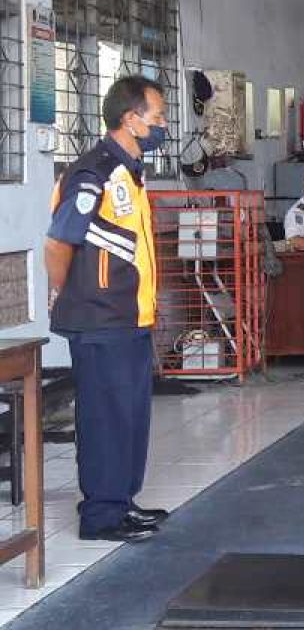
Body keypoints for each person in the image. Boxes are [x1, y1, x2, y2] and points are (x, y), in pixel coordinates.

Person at [44, 76, 170, 542]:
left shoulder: (131, 171)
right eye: (156, 117)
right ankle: (100, 516)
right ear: (130, 119)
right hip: (99, 317)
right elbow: (59, 239)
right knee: (104, 416)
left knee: (130, 415)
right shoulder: (93, 172)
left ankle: (121, 501)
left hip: (130, 316)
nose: (162, 125)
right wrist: (63, 290)